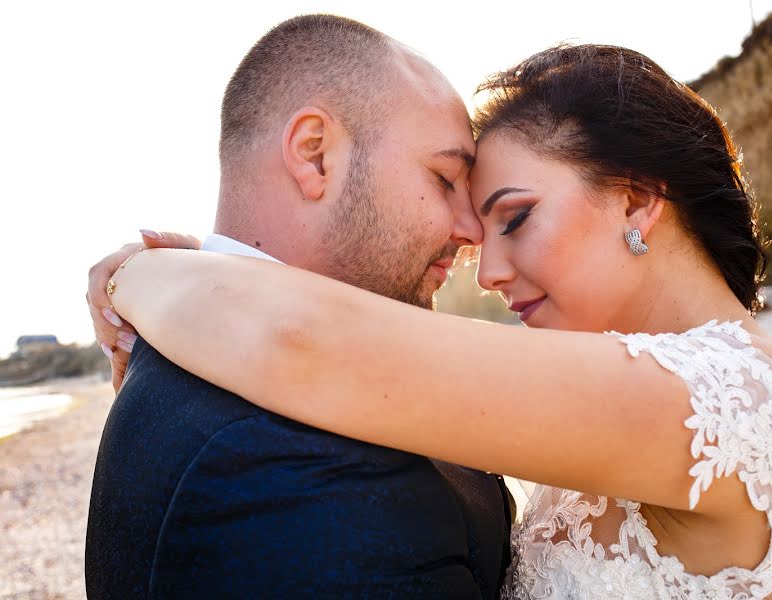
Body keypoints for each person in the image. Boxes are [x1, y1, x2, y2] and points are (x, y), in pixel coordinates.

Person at [89, 45, 772, 599]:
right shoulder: (636, 386)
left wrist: (138, 272)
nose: (488, 271)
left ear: (637, 198)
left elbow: (308, 342)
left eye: (517, 217)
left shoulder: (735, 402)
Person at [84, 15, 513, 600]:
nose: (472, 231)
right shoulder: (286, 466)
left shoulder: (187, 337)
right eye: (444, 179)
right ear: (314, 156)